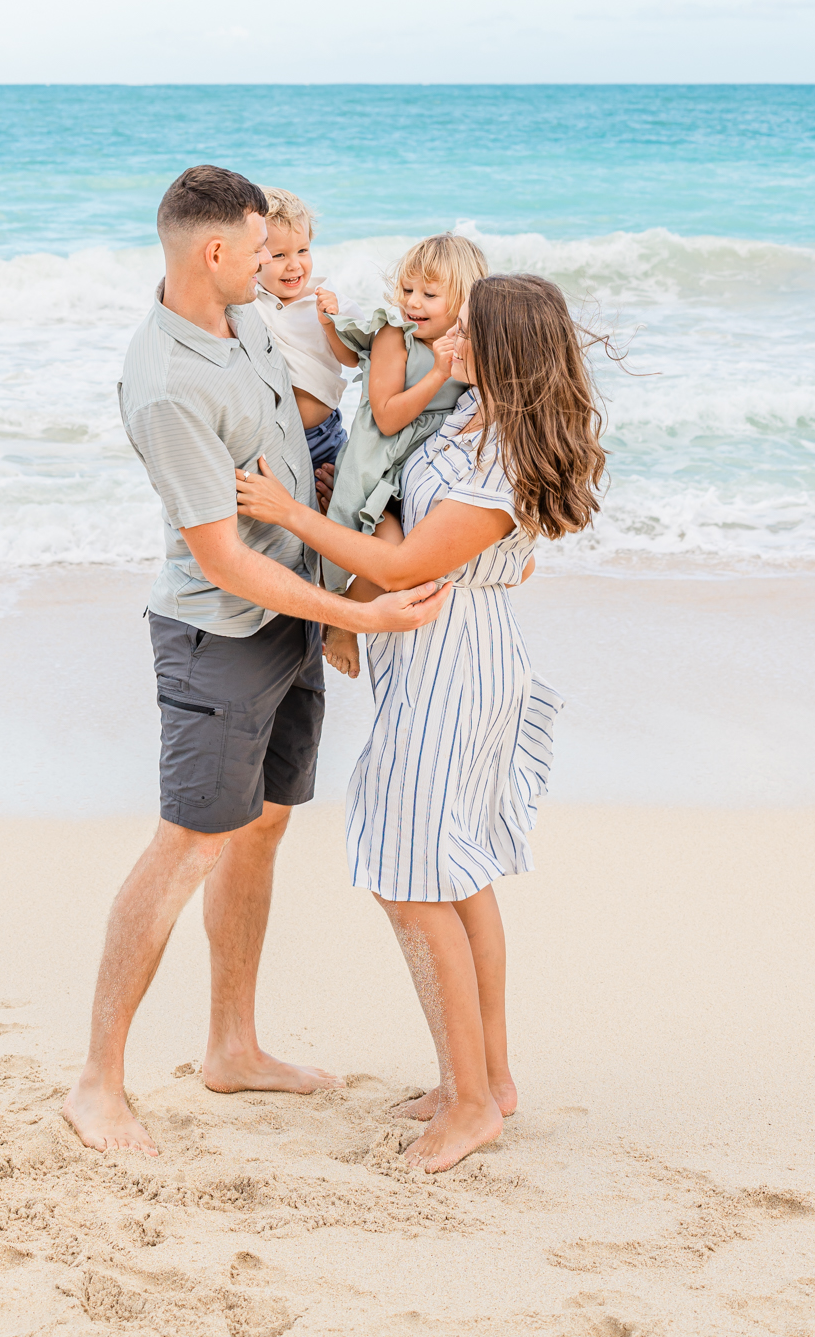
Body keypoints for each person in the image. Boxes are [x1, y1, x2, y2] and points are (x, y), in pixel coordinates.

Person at [61, 165, 451, 1157]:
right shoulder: (166, 385)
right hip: (219, 637)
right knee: (187, 843)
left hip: (290, 616)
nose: (274, 260)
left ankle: (232, 1046)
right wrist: (360, 615)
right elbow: (222, 556)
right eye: (256, 243)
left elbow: (295, 446)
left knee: (262, 830)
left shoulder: (246, 321)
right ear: (214, 252)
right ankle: (96, 1086)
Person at [236, 271, 606, 1172]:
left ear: (507, 349)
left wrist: (290, 514)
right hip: (441, 653)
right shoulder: (474, 416)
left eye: (468, 332)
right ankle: (484, 1078)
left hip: (452, 663)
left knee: (412, 877)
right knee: (456, 872)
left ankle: (471, 1102)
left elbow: (402, 566)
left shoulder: (499, 460)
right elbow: (402, 514)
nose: (449, 341)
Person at [319, 232, 488, 682]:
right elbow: (388, 418)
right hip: (382, 465)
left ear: (464, 303)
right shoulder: (396, 335)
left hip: (427, 469)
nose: (414, 301)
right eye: (408, 289)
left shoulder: (471, 344)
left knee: (424, 561)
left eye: (430, 294)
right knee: (393, 558)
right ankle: (342, 619)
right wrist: (437, 373)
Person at [251, 188, 357, 508]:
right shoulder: (248, 302)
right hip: (272, 443)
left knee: (339, 509)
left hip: (323, 437)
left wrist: (330, 324)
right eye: (279, 255)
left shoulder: (326, 301)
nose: (294, 265)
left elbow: (352, 359)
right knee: (284, 520)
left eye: (303, 250)